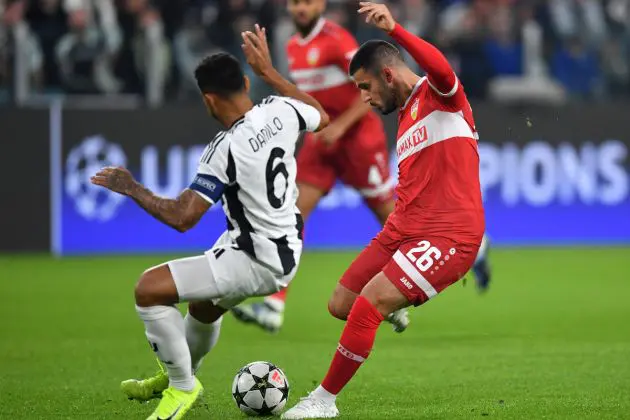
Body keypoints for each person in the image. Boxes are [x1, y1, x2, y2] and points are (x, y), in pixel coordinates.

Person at [90, 26, 329, 420]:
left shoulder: (225, 148)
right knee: (204, 307)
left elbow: (184, 217)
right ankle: (176, 376)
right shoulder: (281, 109)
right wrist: (272, 72)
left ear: (208, 99)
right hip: (283, 246)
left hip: (256, 259)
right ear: (247, 82)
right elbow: (322, 116)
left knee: (149, 289)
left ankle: (183, 386)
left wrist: (131, 187)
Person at [281, 3, 485, 419]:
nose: (363, 98)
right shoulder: (406, 117)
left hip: (450, 236)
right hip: (402, 231)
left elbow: (441, 67)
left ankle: (323, 401)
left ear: (388, 75)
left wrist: (395, 30)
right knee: (340, 304)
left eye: (364, 86)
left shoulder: (441, 97)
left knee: (368, 304)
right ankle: (399, 298)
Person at [231, 0, 409, 334]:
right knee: (292, 216)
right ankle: (274, 305)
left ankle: (394, 297)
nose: (301, 8)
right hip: (321, 145)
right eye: (296, 2)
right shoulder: (292, 45)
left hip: (357, 141)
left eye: (308, 1)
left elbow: (369, 86)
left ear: (321, 5)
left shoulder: (338, 40)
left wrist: (340, 127)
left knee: (395, 220)